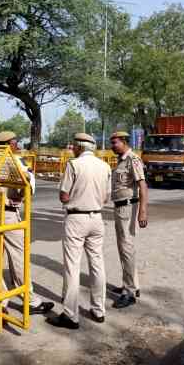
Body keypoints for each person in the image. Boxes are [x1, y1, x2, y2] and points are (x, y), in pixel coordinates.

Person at [47, 133, 111, 330]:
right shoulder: (105, 166)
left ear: (79, 147)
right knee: (97, 264)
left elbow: (64, 196)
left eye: (73, 146)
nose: (71, 149)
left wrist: (73, 198)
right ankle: (98, 310)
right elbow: (106, 198)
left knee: (72, 267)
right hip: (97, 218)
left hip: (76, 218)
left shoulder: (73, 165)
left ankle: (70, 315)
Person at [0, 130, 54, 315]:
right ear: (8, 145)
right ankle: (30, 301)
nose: (18, 147)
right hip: (8, 214)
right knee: (18, 258)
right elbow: (28, 188)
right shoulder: (14, 161)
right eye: (15, 143)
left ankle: (0, 301)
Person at [110, 131, 148, 309]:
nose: (112, 146)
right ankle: (131, 284)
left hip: (128, 208)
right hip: (120, 207)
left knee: (127, 249)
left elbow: (143, 185)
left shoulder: (133, 159)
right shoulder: (122, 160)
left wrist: (143, 212)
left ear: (124, 142)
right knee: (124, 249)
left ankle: (130, 292)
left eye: (115, 143)